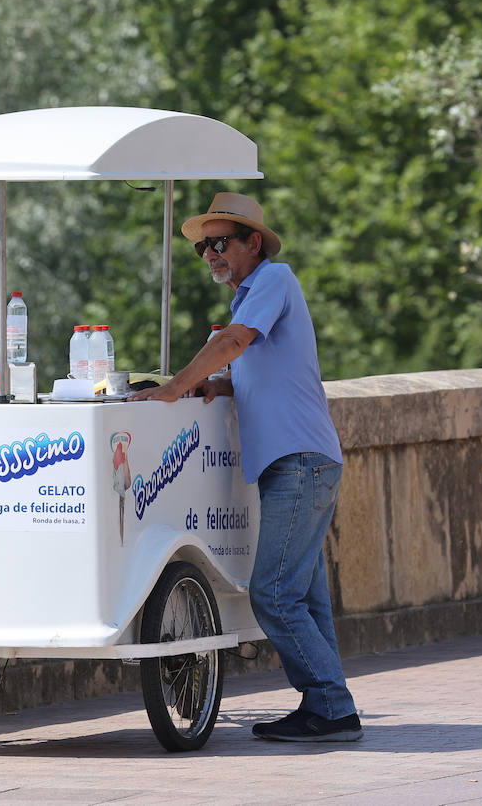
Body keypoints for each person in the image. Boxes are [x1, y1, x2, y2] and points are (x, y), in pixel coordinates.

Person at [128, 192, 361, 743]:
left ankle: (330, 707)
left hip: (300, 462)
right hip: (301, 462)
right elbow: (258, 367)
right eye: (203, 247)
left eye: (220, 242)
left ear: (253, 242)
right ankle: (332, 707)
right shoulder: (248, 298)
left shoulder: (274, 279)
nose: (210, 253)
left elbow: (235, 343)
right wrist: (217, 384)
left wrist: (175, 389)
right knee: (304, 598)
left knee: (274, 595)